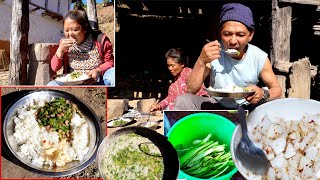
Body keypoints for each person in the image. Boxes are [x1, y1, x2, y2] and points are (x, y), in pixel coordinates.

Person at [174, 3, 281, 110]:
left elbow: (277, 90)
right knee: (183, 100)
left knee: (275, 106)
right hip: (216, 105)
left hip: (248, 107)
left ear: (251, 35)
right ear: (220, 33)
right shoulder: (212, 52)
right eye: (227, 34)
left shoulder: (259, 57)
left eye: (240, 35)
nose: (233, 41)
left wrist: (263, 94)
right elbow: (191, 89)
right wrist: (201, 61)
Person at [48, 5, 114, 86]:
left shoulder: (100, 40)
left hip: (97, 81)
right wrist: (60, 50)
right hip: (73, 82)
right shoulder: (64, 44)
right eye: (66, 30)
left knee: (113, 74)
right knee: (51, 85)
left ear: (85, 28)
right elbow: (55, 68)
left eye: (75, 30)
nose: (70, 34)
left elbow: (110, 62)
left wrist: (98, 70)